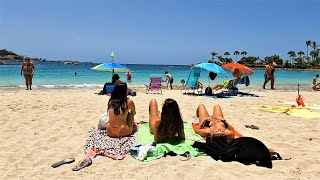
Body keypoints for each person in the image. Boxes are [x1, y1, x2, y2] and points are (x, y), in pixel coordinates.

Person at [73, 83, 136, 171]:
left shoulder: (111, 101)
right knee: (130, 114)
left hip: (109, 131)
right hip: (123, 131)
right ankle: (132, 125)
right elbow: (134, 112)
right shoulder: (129, 101)